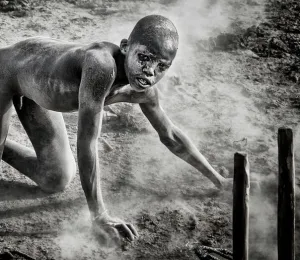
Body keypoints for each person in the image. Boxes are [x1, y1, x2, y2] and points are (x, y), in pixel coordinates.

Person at [0, 15, 231, 242]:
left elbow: (169, 135)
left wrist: (219, 180)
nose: (150, 72)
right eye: (144, 57)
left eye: (162, 66)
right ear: (125, 46)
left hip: (35, 88)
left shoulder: (143, 90)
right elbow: (87, 142)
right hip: (8, 71)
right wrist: (99, 215)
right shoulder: (101, 66)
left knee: (56, 178)